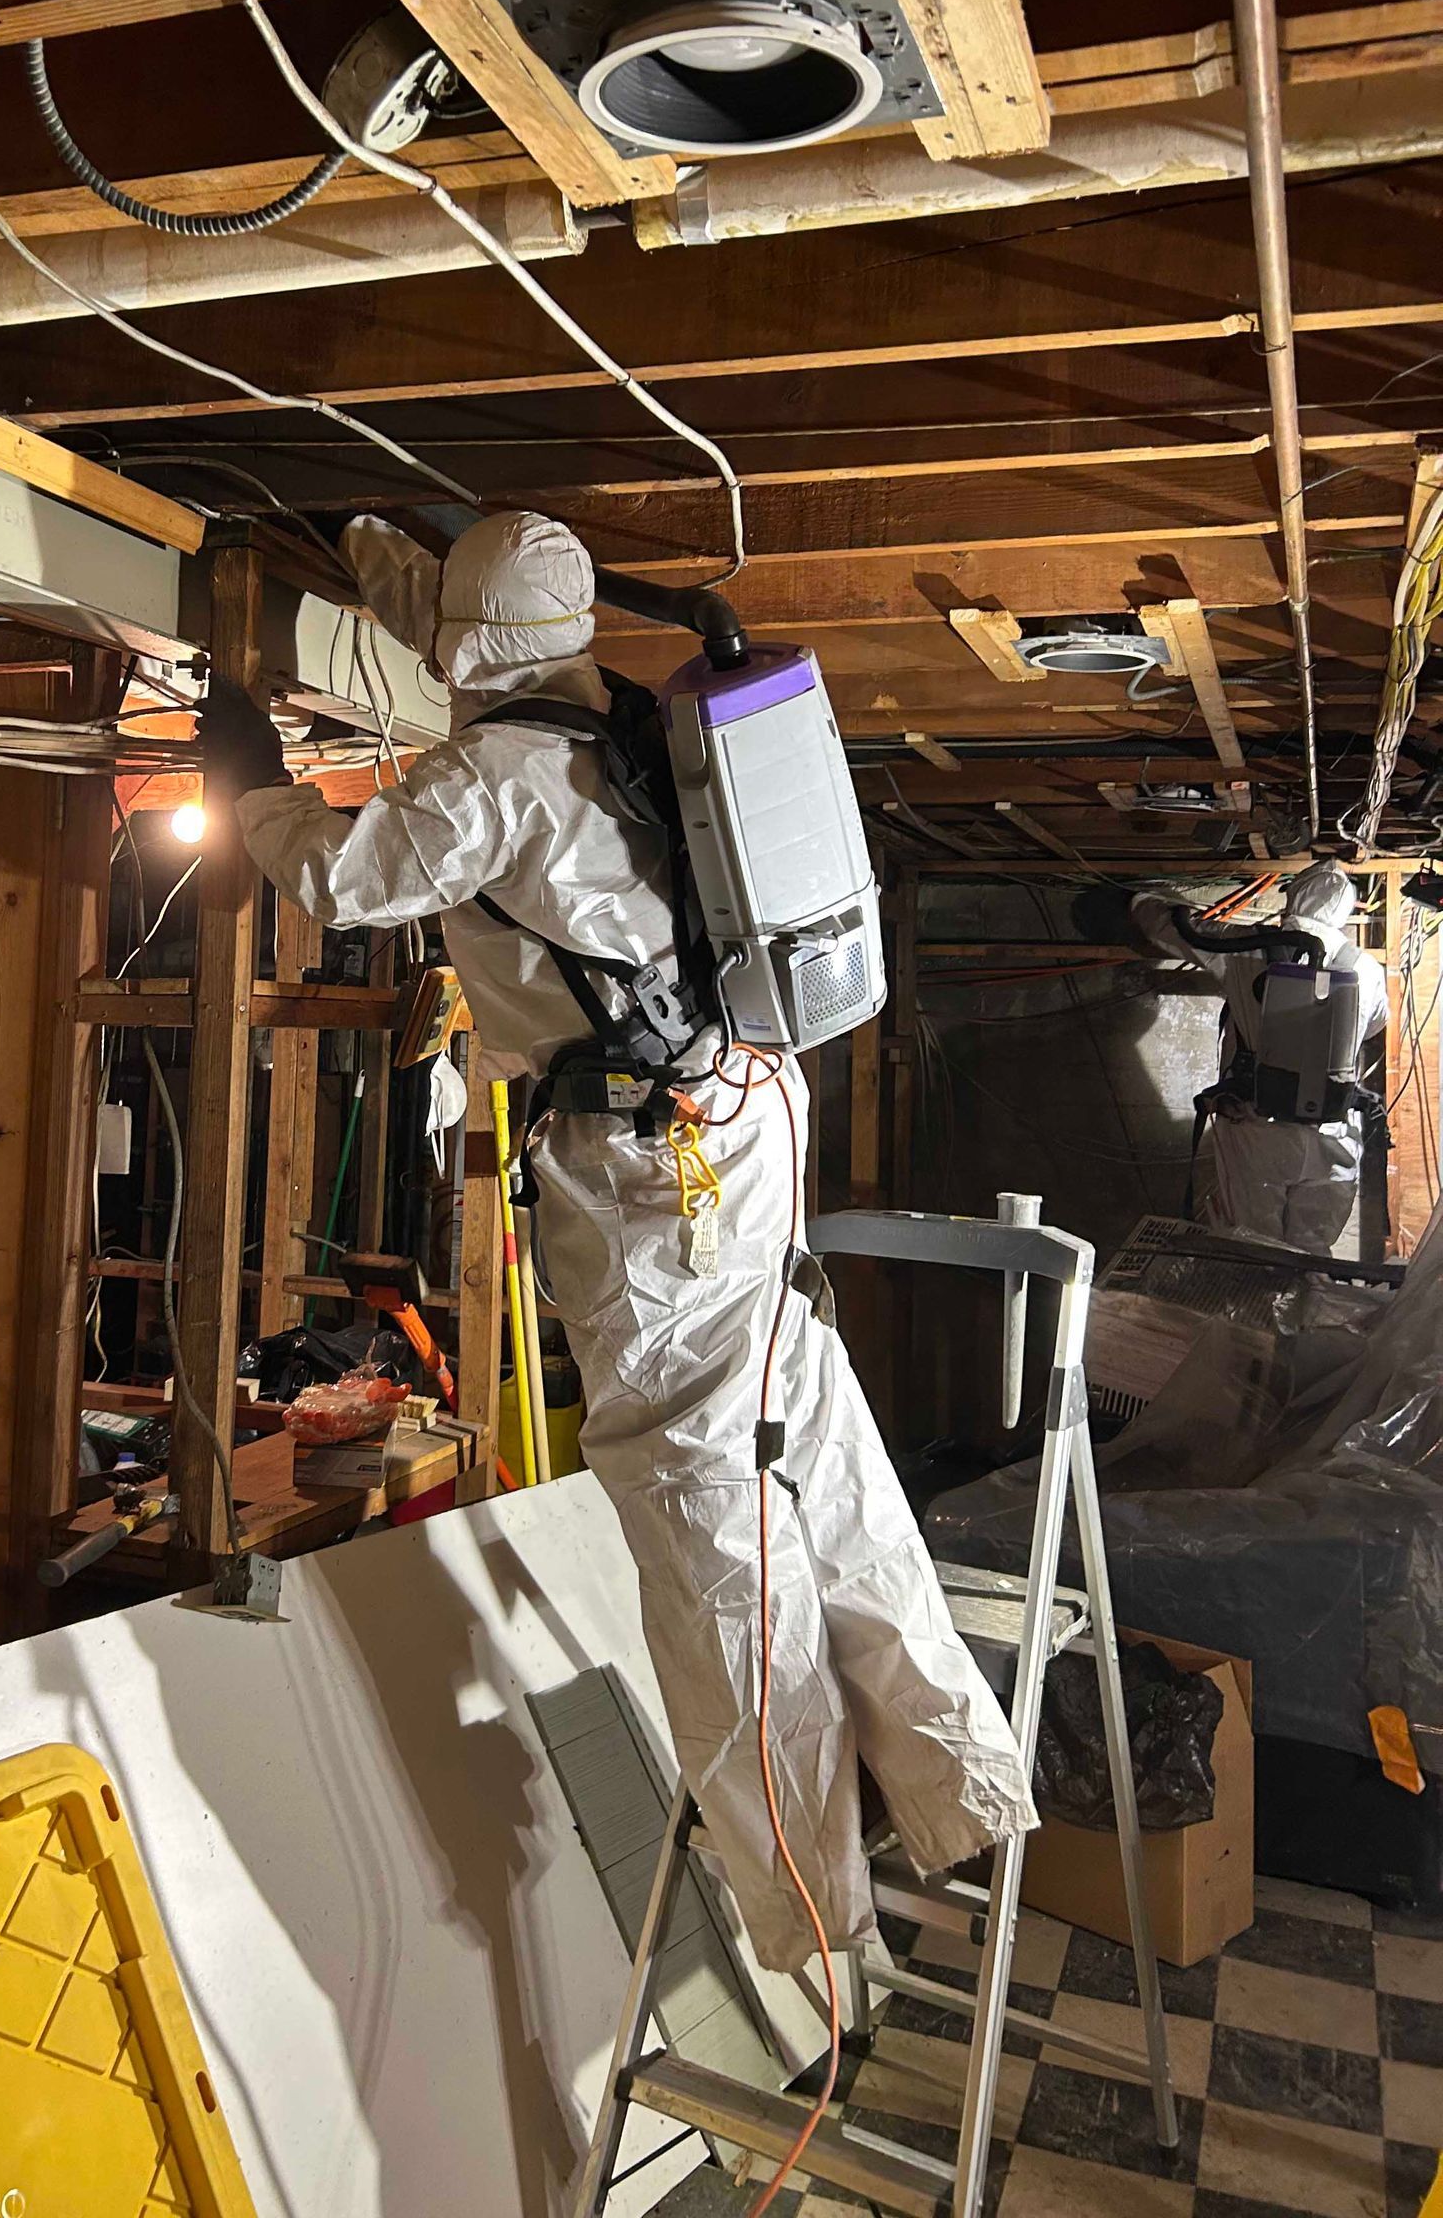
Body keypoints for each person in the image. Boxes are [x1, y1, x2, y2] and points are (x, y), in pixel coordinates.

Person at [200, 509, 1035, 1965]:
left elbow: (342, 880)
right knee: (805, 1429)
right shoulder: (632, 720)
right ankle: (955, 1781)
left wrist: (254, 788)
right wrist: (361, 536)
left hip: (652, 1182)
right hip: (744, 1119)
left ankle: (808, 1900)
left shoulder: (492, 779)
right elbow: (473, 629)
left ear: (472, 650)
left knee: (702, 1503)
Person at [1130, 863, 1387, 1256]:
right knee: (1314, 1252)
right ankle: (1306, 1314)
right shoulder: (1365, 968)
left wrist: (1140, 899)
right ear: (1344, 913)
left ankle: (1252, 1317)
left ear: (1292, 899)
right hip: (1331, 1136)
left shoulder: (1245, 946)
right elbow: (1372, 1027)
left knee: (1251, 1248)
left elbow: (1173, 930)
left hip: (1257, 1131)